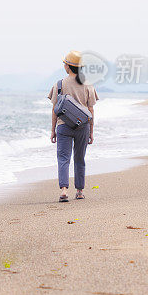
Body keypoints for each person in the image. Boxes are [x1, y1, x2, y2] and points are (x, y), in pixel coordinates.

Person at [47, 50, 98, 202]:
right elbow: (91, 110)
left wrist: (52, 131)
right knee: (79, 158)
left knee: (63, 158)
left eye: (65, 63)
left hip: (63, 126)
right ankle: (80, 191)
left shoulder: (59, 84)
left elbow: (55, 109)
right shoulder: (88, 85)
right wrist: (91, 132)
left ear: (68, 66)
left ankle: (64, 190)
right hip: (82, 126)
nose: (64, 65)